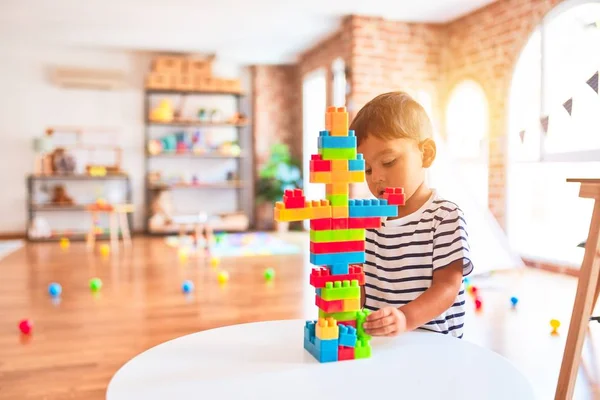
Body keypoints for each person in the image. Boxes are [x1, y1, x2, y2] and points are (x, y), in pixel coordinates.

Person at [350, 91, 473, 339]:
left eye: (389, 161)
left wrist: (405, 318)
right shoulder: (369, 223)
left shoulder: (444, 217)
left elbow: (448, 286)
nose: (377, 178)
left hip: (434, 349)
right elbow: (361, 288)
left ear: (426, 154)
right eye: (368, 169)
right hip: (380, 346)